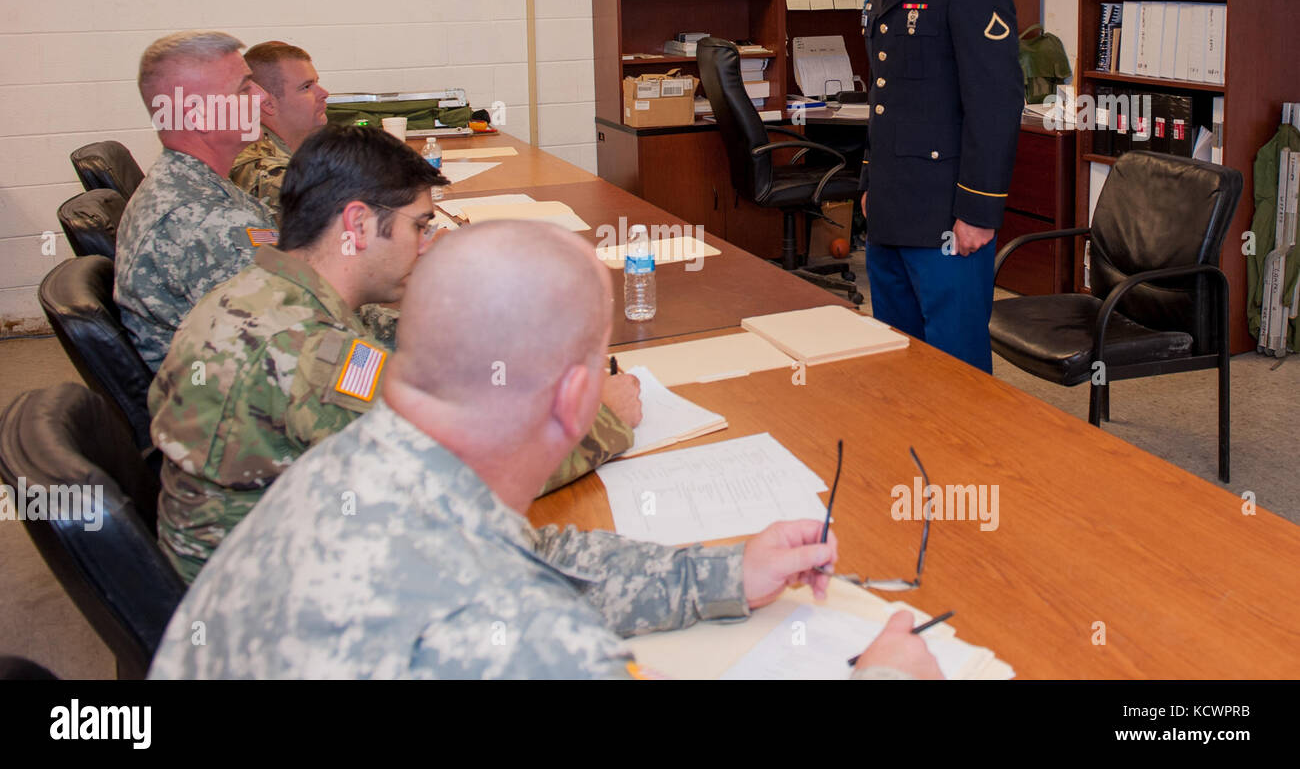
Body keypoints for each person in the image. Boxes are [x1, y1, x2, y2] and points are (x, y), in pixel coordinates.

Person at [148, 220, 941, 680]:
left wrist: (721, 575)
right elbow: (513, 600)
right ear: (573, 398)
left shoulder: (349, 464)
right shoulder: (526, 641)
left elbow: (529, 556)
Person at [150, 125, 643, 584]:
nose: (428, 247)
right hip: (275, 609)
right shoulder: (310, 357)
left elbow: (398, 342)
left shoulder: (267, 290)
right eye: (420, 227)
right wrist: (603, 419)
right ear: (359, 225)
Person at [858, 0, 1024, 373]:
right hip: (890, 207)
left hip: (947, 214)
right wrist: (868, 183)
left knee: (955, 364)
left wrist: (978, 211)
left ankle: (969, 458)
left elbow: (995, 103)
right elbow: (886, 100)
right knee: (899, 355)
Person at [115, 31, 278, 371]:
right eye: (246, 88)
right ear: (199, 115)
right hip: (240, 410)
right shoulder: (203, 220)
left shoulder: (195, 183)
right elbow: (291, 354)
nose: (263, 97)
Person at [229, 41, 330, 217]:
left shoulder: (303, 150)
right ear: (268, 104)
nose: (324, 93)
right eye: (306, 87)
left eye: (317, 83)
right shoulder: (264, 171)